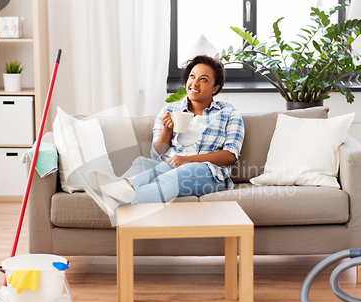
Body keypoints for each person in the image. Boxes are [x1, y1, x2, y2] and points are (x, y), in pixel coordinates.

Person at [88, 55, 245, 207]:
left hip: (208, 173)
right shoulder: (170, 110)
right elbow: (156, 155)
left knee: (171, 176)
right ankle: (124, 185)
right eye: (192, 76)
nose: (195, 83)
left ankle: (119, 196)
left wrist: (187, 160)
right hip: (168, 165)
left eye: (203, 79)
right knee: (142, 163)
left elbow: (230, 156)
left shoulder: (228, 112)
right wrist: (167, 129)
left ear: (215, 88)